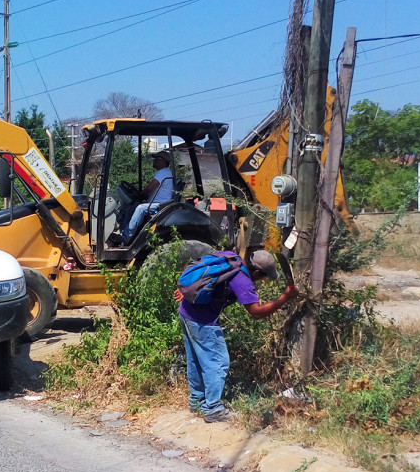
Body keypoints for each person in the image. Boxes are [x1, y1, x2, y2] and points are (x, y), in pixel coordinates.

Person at [173, 250, 299, 423]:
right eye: (262, 278)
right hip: (202, 321)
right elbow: (256, 312)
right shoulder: (242, 280)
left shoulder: (229, 257)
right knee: (218, 362)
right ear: (256, 272)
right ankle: (212, 409)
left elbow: (200, 268)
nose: (261, 282)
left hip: (186, 312)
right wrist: (285, 297)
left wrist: (187, 291)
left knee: (195, 360)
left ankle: (197, 402)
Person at [112, 150, 174, 244]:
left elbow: (149, 188)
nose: (154, 161)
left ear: (163, 161)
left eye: (156, 158)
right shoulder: (164, 172)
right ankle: (124, 235)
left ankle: (125, 237)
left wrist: (141, 194)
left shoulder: (163, 172)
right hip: (156, 203)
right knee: (130, 208)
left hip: (160, 205)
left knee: (140, 208)